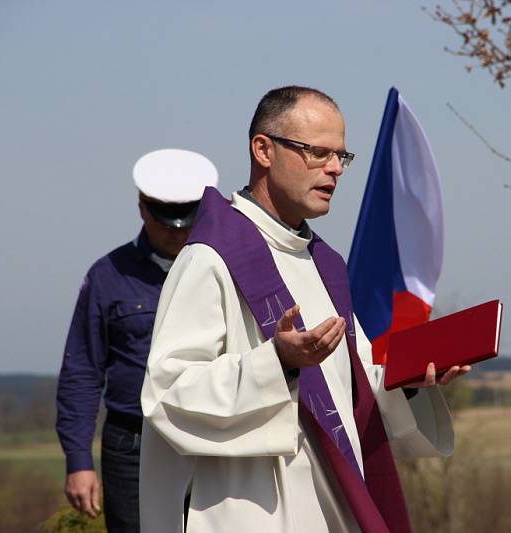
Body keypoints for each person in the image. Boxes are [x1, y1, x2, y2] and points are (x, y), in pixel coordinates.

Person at [139, 86, 469, 532]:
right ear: (263, 150)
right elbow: (168, 393)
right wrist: (277, 363)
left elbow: (351, 385)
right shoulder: (211, 257)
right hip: (250, 507)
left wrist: (411, 377)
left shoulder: (324, 264)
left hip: (330, 503)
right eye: (317, 153)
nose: (334, 169)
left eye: (341, 157)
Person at [55, 149, 219, 532]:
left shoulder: (225, 271)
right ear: (142, 208)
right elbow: (81, 371)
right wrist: (78, 460)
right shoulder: (107, 276)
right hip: (132, 445)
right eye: (167, 222)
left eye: (187, 221)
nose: (177, 231)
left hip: (212, 443)